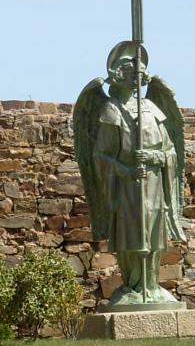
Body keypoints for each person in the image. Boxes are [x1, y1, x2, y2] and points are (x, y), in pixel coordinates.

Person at [74, 41, 185, 307]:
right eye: (133, 74)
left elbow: (170, 150)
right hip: (126, 186)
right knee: (131, 235)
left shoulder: (152, 109)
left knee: (154, 235)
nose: (138, 80)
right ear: (118, 74)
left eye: (141, 75)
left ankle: (152, 285)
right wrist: (123, 170)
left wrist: (155, 157)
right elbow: (100, 155)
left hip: (154, 184)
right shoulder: (111, 110)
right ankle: (133, 285)